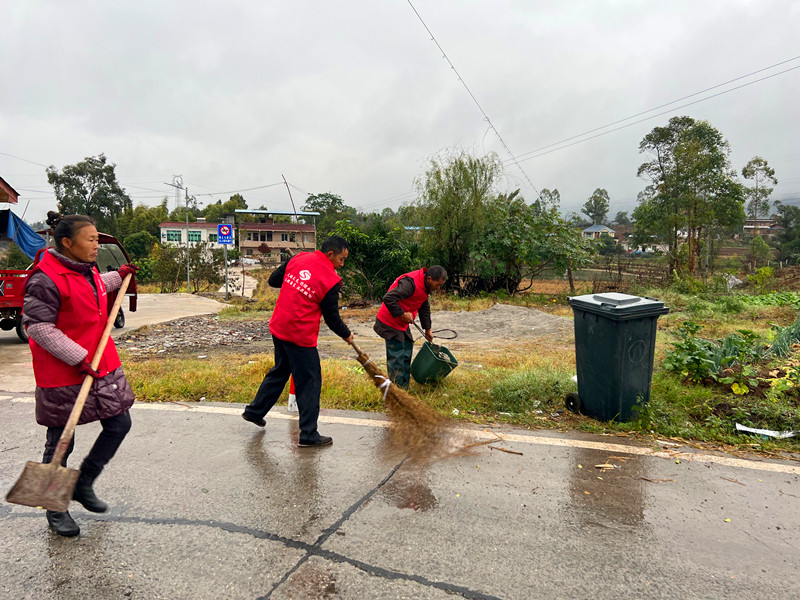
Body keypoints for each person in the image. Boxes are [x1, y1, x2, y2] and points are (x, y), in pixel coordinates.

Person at [22, 211, 139, 537]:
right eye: (90, 240)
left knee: (120, 423)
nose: (96, 245)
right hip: (63, 371)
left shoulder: (84, 270)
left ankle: (84, 482)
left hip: (99, 363)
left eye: (97, 239)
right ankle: (54, 507)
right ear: (67, 243)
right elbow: (39, 328)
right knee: (61, 440)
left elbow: (94, 287)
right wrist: (78, 357)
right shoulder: (44, 279)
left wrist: (120, 275)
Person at [242, 235, 353, 447]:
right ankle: (309, 435)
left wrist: (298, 281)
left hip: (279, 326)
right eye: (341, 259)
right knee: (309, 383)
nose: (342, 263)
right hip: (299, 335)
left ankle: (254, 411)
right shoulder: (331, 280)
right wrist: (347, 334)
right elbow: (332, 318)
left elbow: (274, 280)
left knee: (281, 371)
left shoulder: (299, 258)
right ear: (330, 254)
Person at [373, 266, 448, 389]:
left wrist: (427, 329)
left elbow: (424, 306)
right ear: (429, 279)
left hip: (402, 323)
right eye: (438, 284)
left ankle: (404, 387)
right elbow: (388, 298)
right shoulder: (410, 283)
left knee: (407, 351)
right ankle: (397, 392)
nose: (438, 288)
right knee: (397, 357)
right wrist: (402, 313)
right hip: (390, 321)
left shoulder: (425, 287)